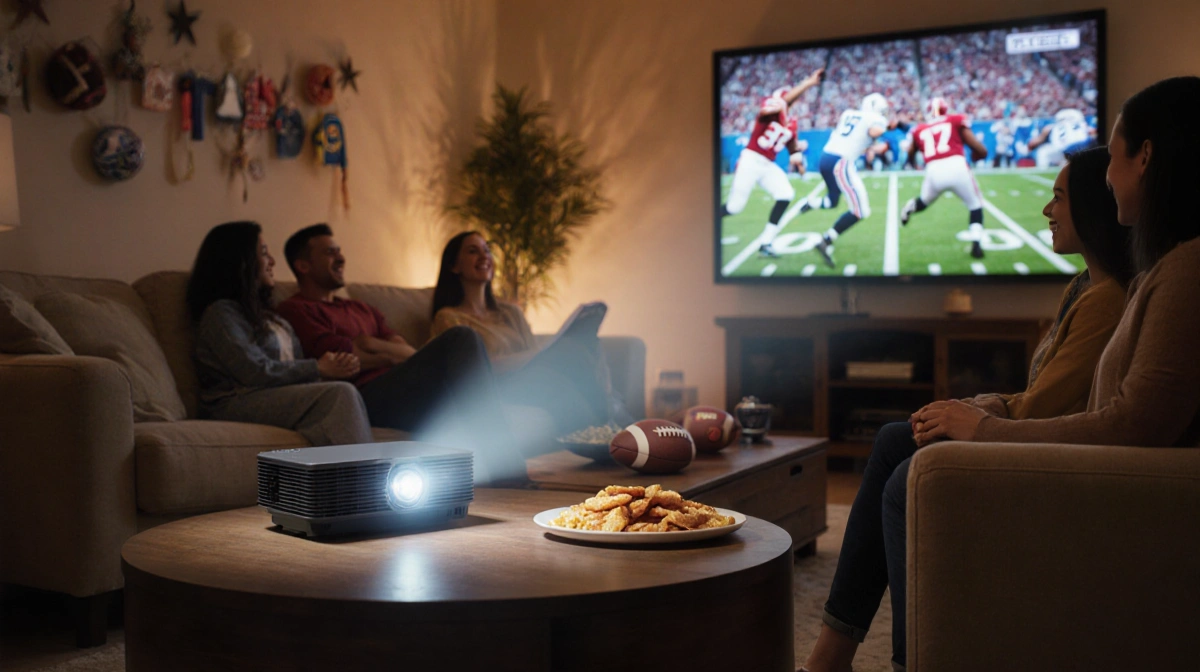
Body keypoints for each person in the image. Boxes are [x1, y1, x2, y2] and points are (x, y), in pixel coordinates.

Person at [800, 143, 1138, 672]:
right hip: (1038, 435)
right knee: (894, 437)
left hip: (1051, 457)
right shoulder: (1084, 285)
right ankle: (831, 654)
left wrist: (981, 415)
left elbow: (1045, 406)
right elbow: (1042, 392)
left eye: (1058, 197)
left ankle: (912, 660)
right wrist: (985, 403)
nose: (1047, 211)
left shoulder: (1106, 297)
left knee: (907, 476)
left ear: (1094, 208)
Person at [275, 224, 528, 485]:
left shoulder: (361, 308)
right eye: (330, 252)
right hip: (364, 397)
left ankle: (497, 470)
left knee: (469, 376)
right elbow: (347, 360)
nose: (341, 258)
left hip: (402, 386)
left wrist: (370, 344)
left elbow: (406, 351)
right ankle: (509, 472)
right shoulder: (296, 309)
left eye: (339, 251)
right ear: (303, 265)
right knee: (462, 337)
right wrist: (385, 352)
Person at [187, 221, 373, 447]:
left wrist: (331, 371)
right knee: (339, 395)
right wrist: (317, 367)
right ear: (241, 261)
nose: (272, 261)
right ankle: (366, 480)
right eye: (264, 254)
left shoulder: (272, 318)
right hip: (234, 401)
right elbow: (253, 371)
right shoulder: (221, 314)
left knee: (345, 392)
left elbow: (291, 368)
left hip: (275, 395)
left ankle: (346, 474)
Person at [429, 231, 624, 435]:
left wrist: (541, 354)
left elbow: (534, 351)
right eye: (472, 251)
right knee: (564, 363)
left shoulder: (510, 312)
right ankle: (608, 429)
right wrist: (534, 356)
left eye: (487, 250)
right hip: (497, 387)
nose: (484, 256)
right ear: (454, 266)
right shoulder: (448, 317)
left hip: (532, 375)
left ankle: (608, 425)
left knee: (582, 346)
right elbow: (471, 369)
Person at [717, 68, 825, 258]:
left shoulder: (791, 123)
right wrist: (808, 82)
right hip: (751, 159)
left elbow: (792, 150)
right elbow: (775, 106)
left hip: (767, 165)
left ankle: (766, 243)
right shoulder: (771, 112)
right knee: (735, 207)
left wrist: (800, 165)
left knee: (786, 194)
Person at [794, 92, 896, 268]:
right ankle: (825, 240)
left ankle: (811, 203)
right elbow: (873, 131)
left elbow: (857, 140)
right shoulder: (873, 119)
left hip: (826, 158)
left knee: (832, 201)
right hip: (840, 162)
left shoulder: (848, 113)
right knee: (861, 211)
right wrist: (888, 127)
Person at [899, 96, 990, 259]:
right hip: (956, 166)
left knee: (925, 201)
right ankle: (976, 244)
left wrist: (913, 164)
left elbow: (911, 152)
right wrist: (978, 156)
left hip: (933, 170)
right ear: (945, 109)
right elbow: (980, 149)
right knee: (975, 205)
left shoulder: (920, 129)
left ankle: (909, 208)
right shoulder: (955, 120)